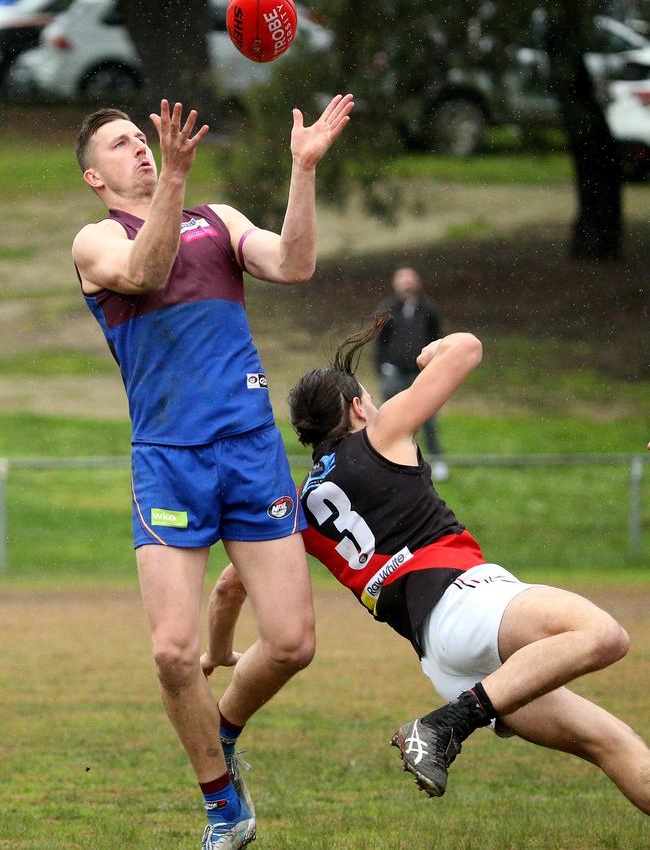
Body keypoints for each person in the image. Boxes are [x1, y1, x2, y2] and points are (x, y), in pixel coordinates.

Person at [203, 313, 650, 815]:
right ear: (356, 407)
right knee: (604, 636)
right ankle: (443, 727)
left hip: (442, 660)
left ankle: (454, 716)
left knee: (612, 743)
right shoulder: (380, 434)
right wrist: (429, 351)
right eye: (368, 399)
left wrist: (219, 651)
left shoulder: (300, 509)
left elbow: (228, 589)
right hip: (467, 600)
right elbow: (467, 348)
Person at [71, 93, 353, 850]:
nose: (141, 148)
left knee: (293, 641)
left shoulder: (220, 219)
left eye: (143, 137)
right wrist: (174, 180)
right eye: (123, 145)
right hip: (168, 459)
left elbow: (294, 264)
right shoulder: (94, 240)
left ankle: (223, 728)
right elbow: (145, 270)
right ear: (96, 177)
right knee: (171, 650)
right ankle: (223, 805)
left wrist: (302, 171)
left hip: (249, 450)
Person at [374, 266, 448, 481]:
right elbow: (379, 342)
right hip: (394, 372)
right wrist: (383, 366)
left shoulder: (428, 309)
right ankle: (387, 460)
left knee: (428, 418)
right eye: (402, 279)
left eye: (410, 279)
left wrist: (433, 367)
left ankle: (436, 460)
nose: (406, 283)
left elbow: (436, 338)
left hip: (421, 373)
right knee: (390, 417)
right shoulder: (387, 309)